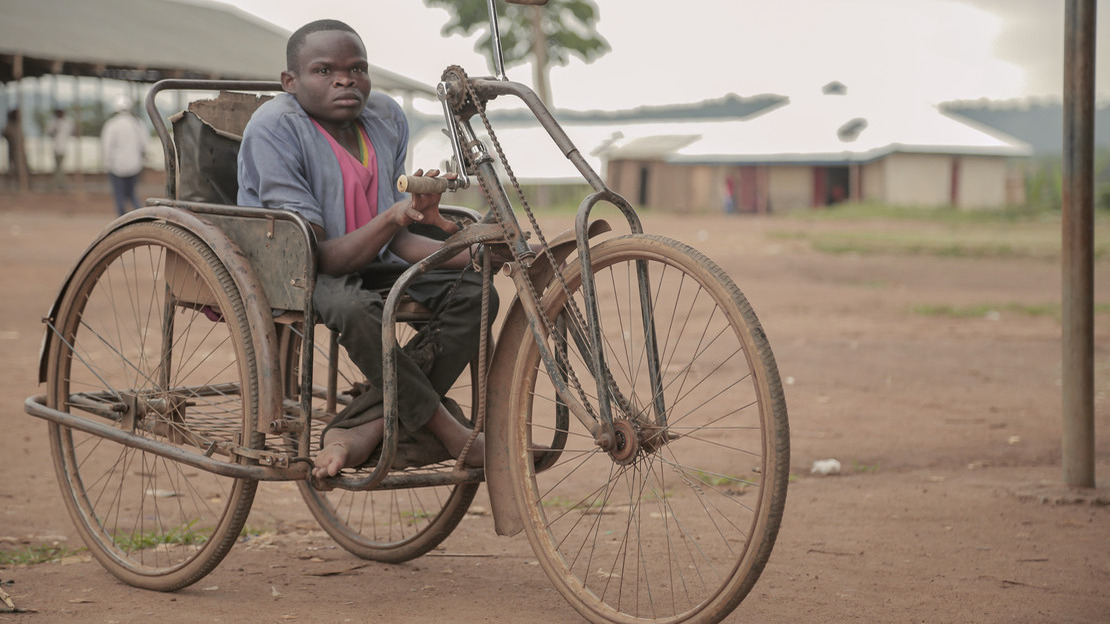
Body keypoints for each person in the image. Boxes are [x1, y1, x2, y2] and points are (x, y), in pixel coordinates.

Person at [238, 19, 495, 480]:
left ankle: (365, 427)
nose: (345, 80)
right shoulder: (276, 127)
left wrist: (474, 253)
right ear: (290, 82)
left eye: (358, 69)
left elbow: (397, 241)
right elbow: (321, 259)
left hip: (373, 257)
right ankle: (448, 429)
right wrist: (393, 217)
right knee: (357, 310)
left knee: (477, 292)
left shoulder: (385, 116)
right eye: (324, 71)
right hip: (298, 268)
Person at [101, 95, 147, 216]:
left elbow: (107, 146)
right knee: (131, 194)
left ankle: (121, 221)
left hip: (116, 166)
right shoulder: (138, 123)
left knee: (119, 195)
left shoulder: (111, 124)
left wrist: (107, 164)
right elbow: (144, 144)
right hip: (134, 165)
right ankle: (141, 215)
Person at [45, 106, 74, 190]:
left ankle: (58, 185)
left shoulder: (67, 122)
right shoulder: (54, 122)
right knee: (58, 168)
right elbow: (49, 132)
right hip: (56, 147)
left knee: (59, 168)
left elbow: (71, 131)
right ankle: (60, 185)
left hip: (63, 147)